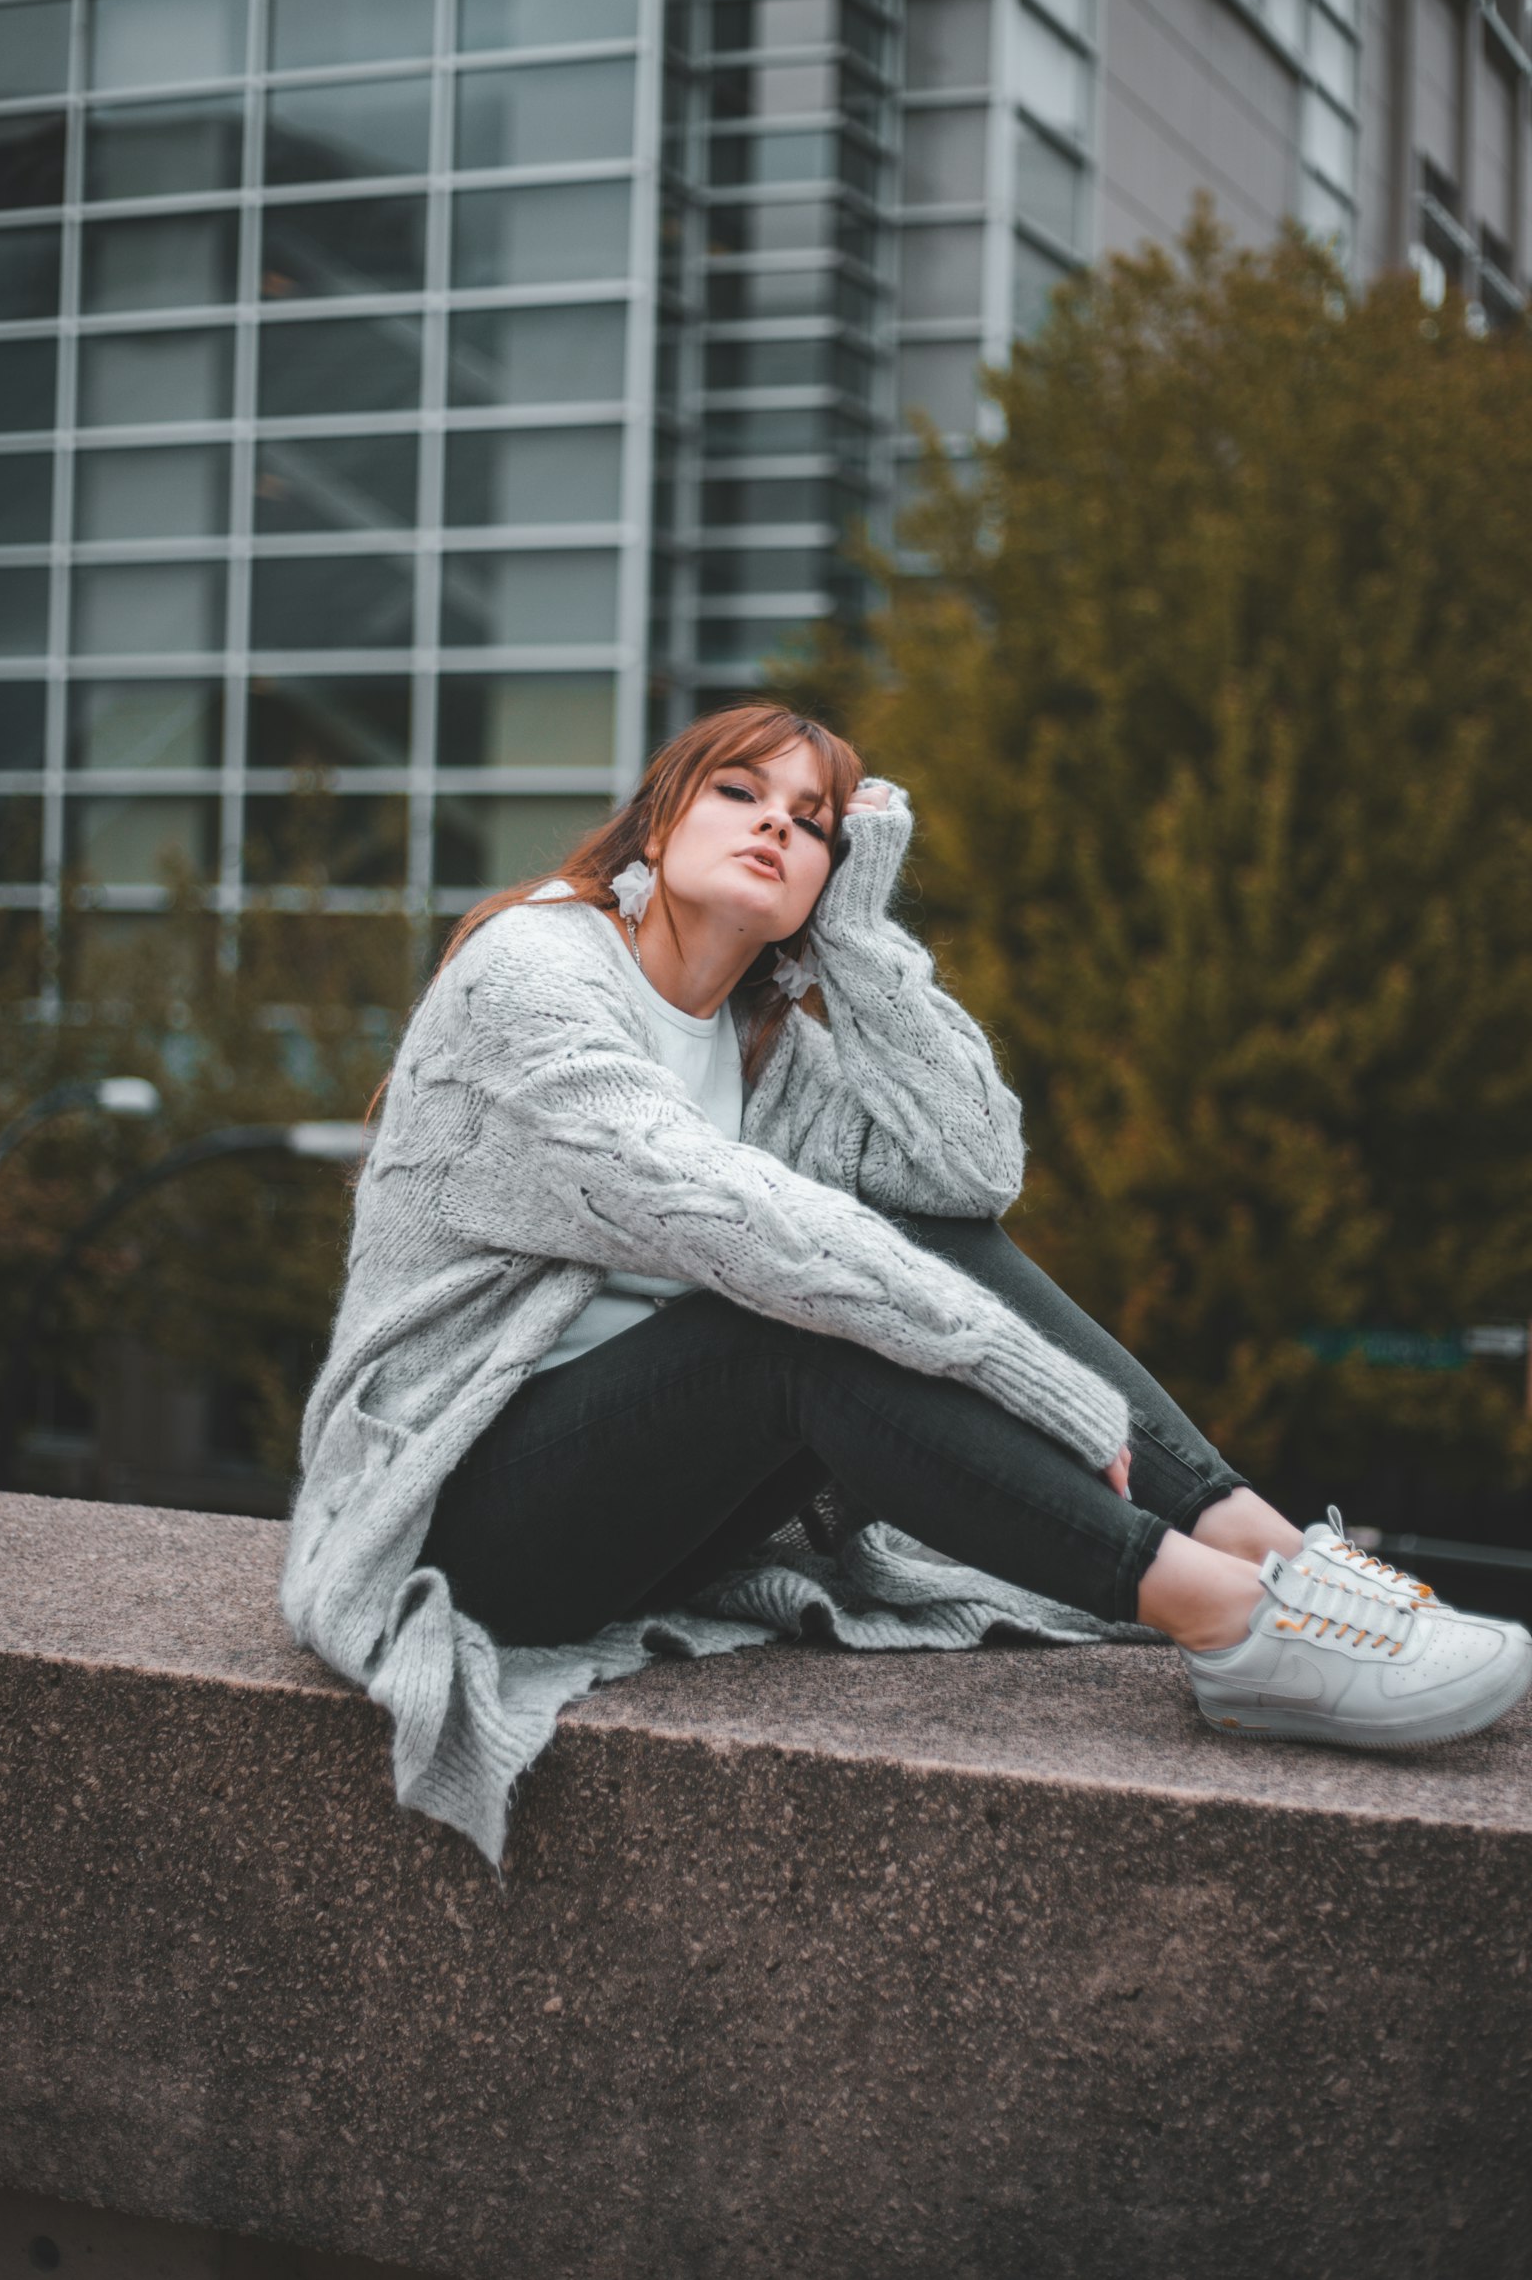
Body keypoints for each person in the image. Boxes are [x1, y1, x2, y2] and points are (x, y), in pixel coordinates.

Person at [280, 702, 1531, 1863]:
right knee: (788, 1323)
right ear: (659, 820)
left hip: (643, 1519)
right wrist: (1013, 1370)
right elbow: (729, 1222)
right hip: (456, 1524)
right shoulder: (532, 972)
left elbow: (967, 1177)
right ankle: (1223, 1624)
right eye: (739, 791)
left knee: (908, 1239)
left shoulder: (767, 1046)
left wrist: (862, 942)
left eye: (814, 820)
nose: (778, 822)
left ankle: (1260, 1547)